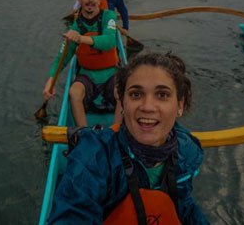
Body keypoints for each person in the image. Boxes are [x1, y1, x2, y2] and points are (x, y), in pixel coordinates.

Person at [48, 51, 209, 224]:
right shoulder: (95, 156)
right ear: (122, 103)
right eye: (136, 94)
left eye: (162, 95)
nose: (147, 107)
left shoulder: (186, 151)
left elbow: (183, 203)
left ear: (180, 105)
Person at [43, 0, 120, 128]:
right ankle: (84, 133)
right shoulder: (75, 27)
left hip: (111, 73)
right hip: (88, 75)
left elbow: (109, 41)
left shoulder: (109, 16)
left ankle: (116, 131)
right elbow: (62, 57)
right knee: (74, 92)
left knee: (123, 91)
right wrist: (51, 81)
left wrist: (80, 39)